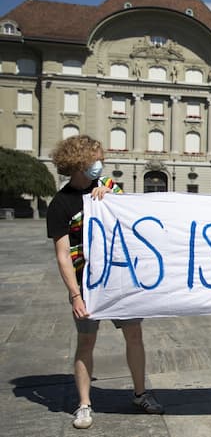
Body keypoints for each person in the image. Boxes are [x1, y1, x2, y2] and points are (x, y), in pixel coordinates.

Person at [46, 135, 164, 429]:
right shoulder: (60, 204)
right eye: (97, 159)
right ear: (80, 162)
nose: (102, 164)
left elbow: (133, 218)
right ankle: (84, 404)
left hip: (119, 279)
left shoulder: (110, 188)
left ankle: (141, 393)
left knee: (134, 335)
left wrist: (111, 198)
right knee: (86, 342)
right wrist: (75, 295)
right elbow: (63, 255)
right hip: (86, 283)